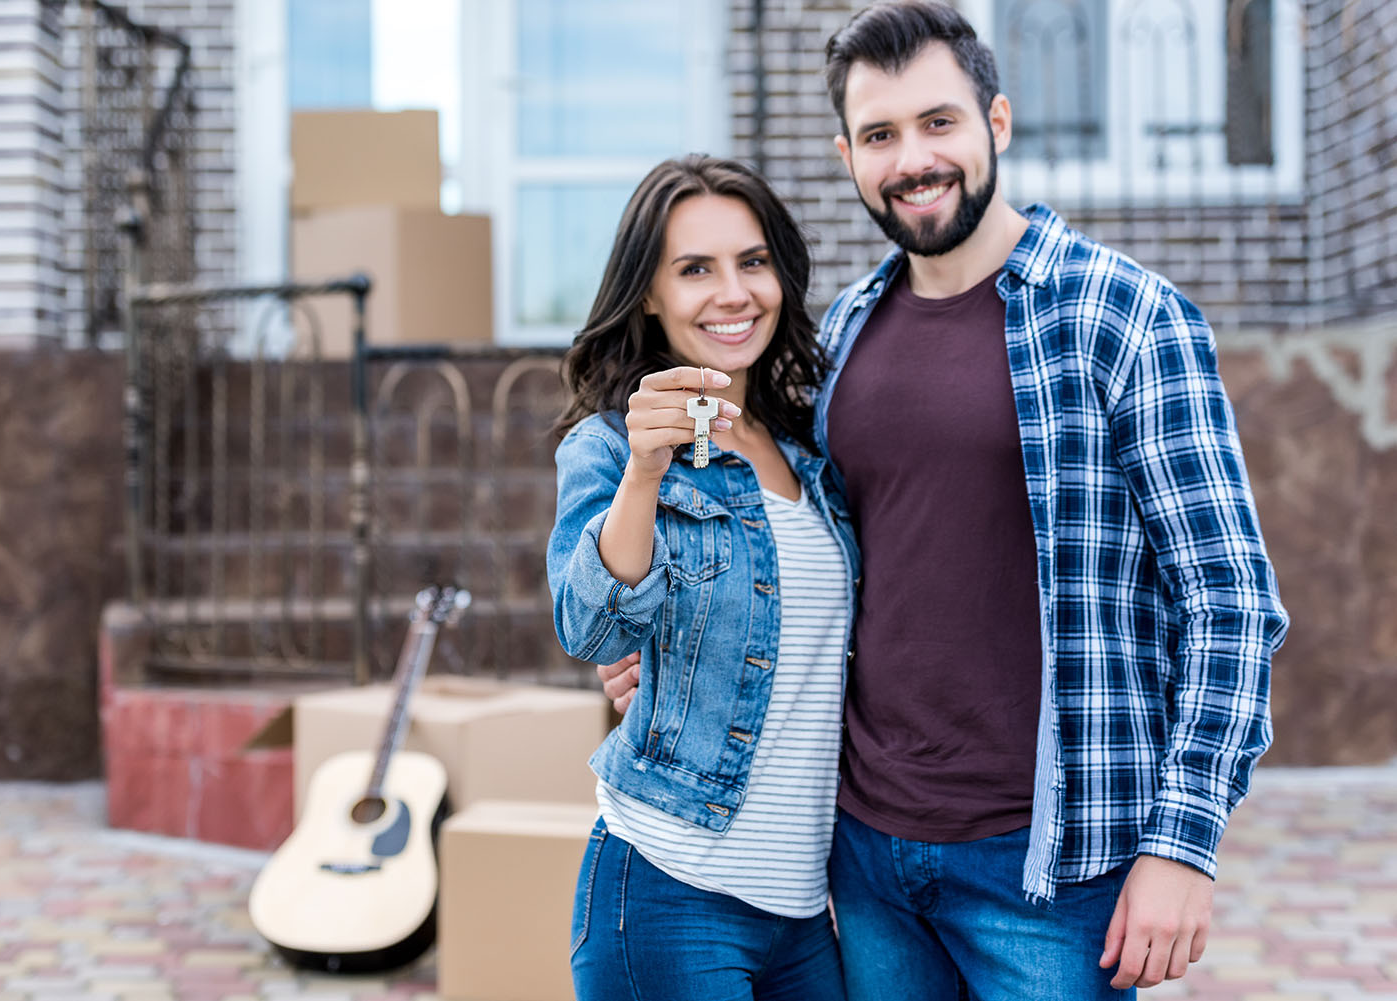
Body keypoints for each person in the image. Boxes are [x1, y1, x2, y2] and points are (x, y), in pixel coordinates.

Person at [595, 4, 1290, 1000]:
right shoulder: (842, 333)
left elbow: (1231, 602)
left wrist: (1184, 843)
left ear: (996, 123)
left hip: (1048, 870)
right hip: (868, 859)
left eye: (938, 123)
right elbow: (820, 559)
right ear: (847, 154)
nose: (912, 159)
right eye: (880, 135)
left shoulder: (1125, 317)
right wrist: (684, 653)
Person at [548, 154, 859, 1000]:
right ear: (649, 293)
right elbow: (594, 630)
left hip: (803, 908)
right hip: (669, 886)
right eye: (695, 269)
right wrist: (645, 472)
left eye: (752, 261)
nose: (733, 293)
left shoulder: (813, 452)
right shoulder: (610, 447)